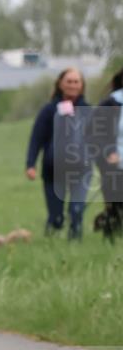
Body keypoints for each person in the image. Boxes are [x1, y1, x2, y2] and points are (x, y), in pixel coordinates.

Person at [26, 68, 92, 240]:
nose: (72, 85)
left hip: (81, 170)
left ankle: (75, 248)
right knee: (56, 218)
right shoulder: (49, 110)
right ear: (60, 84)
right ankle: (49, 242)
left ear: (82, 85)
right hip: (53, 170)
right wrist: (30, 164)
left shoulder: (88, 111)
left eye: (76, 81)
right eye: (69, 81)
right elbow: (36, 138)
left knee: (76, 212)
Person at [86, 67, 123, 241]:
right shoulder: (110, 104)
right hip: (114, 166)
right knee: (116, 207)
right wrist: (108, 153)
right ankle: (111, 240)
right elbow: (92, 135)